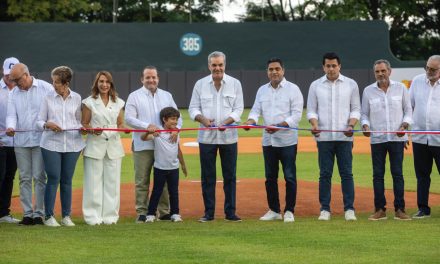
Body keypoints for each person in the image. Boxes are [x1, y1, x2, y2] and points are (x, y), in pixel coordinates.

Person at [244, 58, 303, 223]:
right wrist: (250, 122)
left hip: (287, 141)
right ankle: (274, 210)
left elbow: (297, 115)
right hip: (268, 141)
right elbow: (255, 111)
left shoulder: (293, 89)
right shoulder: (262, 90)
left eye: (277, 69)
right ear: (267, 72)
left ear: (283, 70)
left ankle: (289, 210)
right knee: (270, 177)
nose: (274, 72)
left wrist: (280, 126)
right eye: (271, 69)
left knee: (289, 176)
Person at [189, 51, 244, 222]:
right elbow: (193, 109)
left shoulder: (235, 84)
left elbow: (238, 109)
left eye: (220, 65)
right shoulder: (200, 84)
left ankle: (230, 213)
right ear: (209, 66)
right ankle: (209, 213)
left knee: (230, 176)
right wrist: (204, 120)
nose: (217, 68)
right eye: (214, 65)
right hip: (206, 138)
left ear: (225, 65)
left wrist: (227, 122)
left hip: (229, 137)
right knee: (207, 177)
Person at [306, 52, 361, 221]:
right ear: (323, 67)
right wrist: (314, 124)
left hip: (344, 138)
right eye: (328, 66)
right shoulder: (315, 85)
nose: (331, 69)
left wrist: (351, 125)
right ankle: (325, 209)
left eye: (334, 65)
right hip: (323, 138)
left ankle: (349, 209)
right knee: (325, 174)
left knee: (346, 174)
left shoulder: (351, 84)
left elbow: (356, 109)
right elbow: (311, 110)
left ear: (339, 66)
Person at [125, 66, 181, 223]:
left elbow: (178, 116)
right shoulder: (134, 96)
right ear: (142, 79)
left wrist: (177, 129)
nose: (151, 80)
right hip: (143, 144)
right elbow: (129, 118)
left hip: (164, 146)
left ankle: (164, 212)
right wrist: (146, 126)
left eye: (154, 77)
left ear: (158, 78)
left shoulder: (166, 95)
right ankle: (142, 212)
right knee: (142, 180)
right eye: (148, 77)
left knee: (163, 181)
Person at [361, 59, 412, 221]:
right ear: (374, 73)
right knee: (378, 175)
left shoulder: (401, 88)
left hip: (398, 139)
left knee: (397, 174)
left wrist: (404, 126)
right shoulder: (368, 91)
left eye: (383, 70)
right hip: (377, 139)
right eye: (377, 71)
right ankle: (380, 210)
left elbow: (408, 111)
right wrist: (365, 126)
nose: (380, 74)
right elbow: (364, 114)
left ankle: (400, 209)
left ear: (389, 71)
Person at [36, 66, 85, 227]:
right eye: (53, 81)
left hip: (73, 144)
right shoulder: (47, 97)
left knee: (66, 181)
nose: (53, 84)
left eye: (56, 82)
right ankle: (49, 216)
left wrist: (82, 127)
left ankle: (66, 216)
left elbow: (78, 121)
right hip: (50, 144)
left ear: (66, 82)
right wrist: (47, 124)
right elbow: (39, 121)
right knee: (53, 178)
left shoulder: (77, 98)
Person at [6, 63, 53, 225]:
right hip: (21, 142)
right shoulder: (13, 93)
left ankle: (39, 213)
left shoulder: (46, 88)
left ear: (26, 74)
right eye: (13, 80)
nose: (15, 83)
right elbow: (11, 115)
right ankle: (27, 214)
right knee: (24, 177)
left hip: (41, 140)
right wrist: (10, 126)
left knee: (39, 177)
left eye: (17, 79)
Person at [81, 71, 127, 225]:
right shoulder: (89, 102)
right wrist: (92, 130)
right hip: (95, 145)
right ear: (96, 83)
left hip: (113, 146)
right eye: (101, 81)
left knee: (112, 183)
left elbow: (120, 123)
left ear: (111, 84)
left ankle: (110, 217)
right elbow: (84, 124)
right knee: (93, 183)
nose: (104, 84)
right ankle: (92, 217)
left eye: (107, 82)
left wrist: (125, 128)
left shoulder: (119, 102)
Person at [142, 107, 187, 223]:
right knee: (157, 191)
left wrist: (183, 164)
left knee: (174, 192)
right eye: (172, 119)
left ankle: (175, 214)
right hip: (160, 168)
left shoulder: (176, 133)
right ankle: (151, 214)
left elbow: (178, 149)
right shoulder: (158, 133)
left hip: (173, 168)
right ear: (164, 119)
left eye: (176, 119)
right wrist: (149, 131)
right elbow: (143, 138)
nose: (175, 122)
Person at [409, 54, 440, 219]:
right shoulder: (417, 81)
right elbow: (409, 106)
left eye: (433, 69)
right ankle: (423, 208)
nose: (429, 71)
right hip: (420, 137)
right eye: (427, 67)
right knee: (422, 175)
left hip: (439, 139)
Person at [0, 57, 20, 224]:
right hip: (0, 142)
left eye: (12, 75)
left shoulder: (22, 90)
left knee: (9, 177)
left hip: (16, 143)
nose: (10, 78)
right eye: (7, 74)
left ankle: (4, 213)